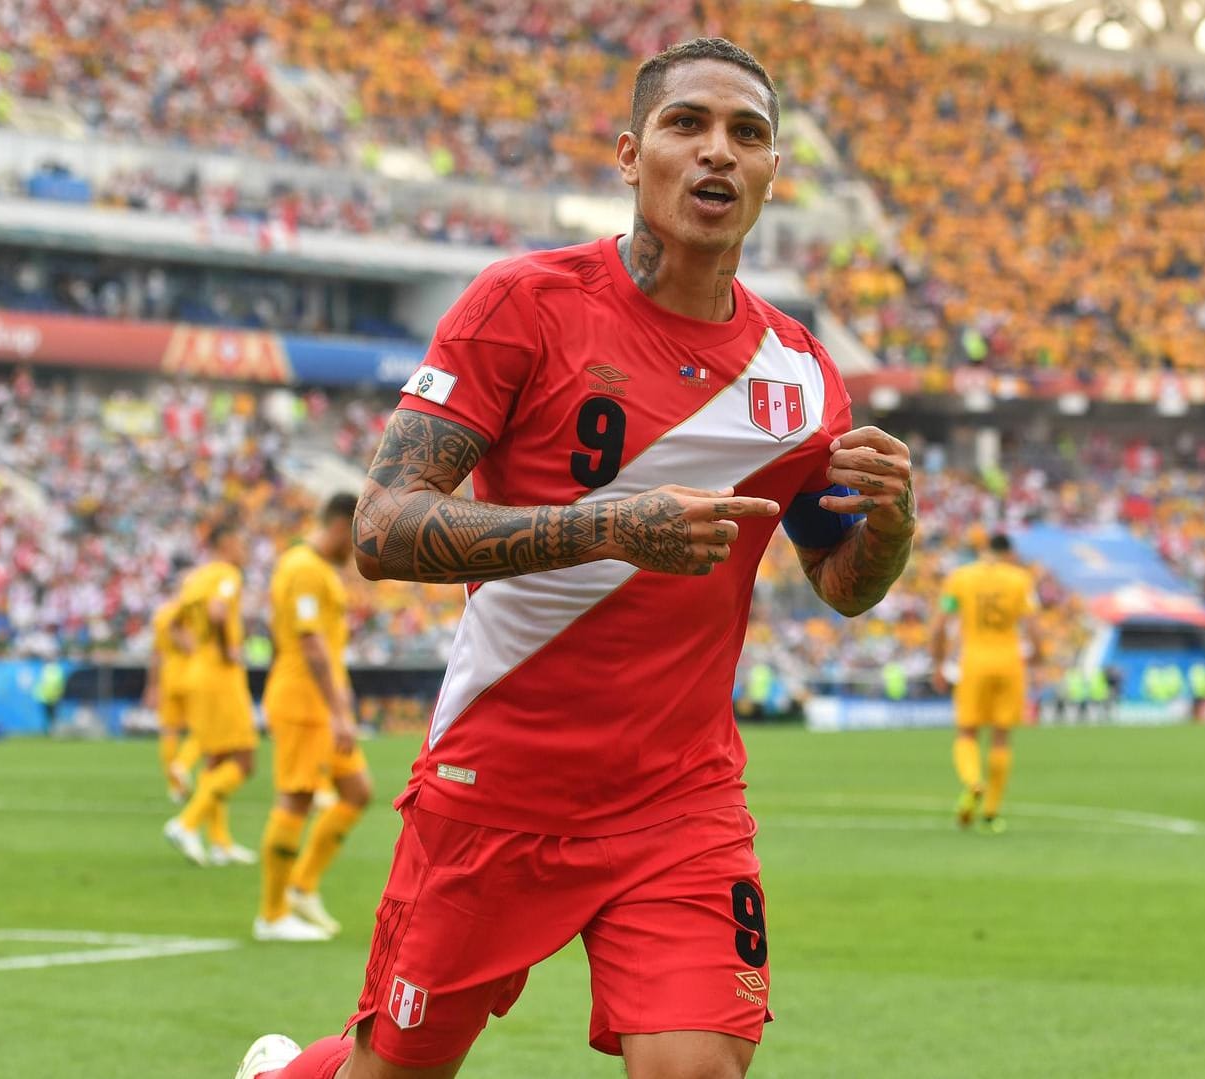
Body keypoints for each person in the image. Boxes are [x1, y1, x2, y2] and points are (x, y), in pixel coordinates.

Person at [235, 37, 916, 1079]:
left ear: (776, 171)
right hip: (495, 782)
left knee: (696, 1068)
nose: (717, 153)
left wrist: (893, 528)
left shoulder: (802, 374)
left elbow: (843, 584)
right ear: (630, 153)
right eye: (687, 125)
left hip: (678, 800)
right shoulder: (525, 304)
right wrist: (606, 526)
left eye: (749, 133)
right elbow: (381, 528)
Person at [255, 492, 373, 943]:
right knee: (296, 799)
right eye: (358, 534)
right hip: (304, 703)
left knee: (356, 791)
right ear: (342, 525)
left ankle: (302, 886)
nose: (359, 545)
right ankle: (271, 914)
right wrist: (338, 711)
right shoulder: (303, 568)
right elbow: (310, 645)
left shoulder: (317, 569)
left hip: (321, 704)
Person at [164, 521, 259, 868]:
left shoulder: (194, 578)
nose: (245, 550)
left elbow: (173, 623)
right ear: (228, 542)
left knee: (217, 759)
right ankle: (187, 824)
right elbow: (219, 612)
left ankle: (219, 842)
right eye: (242, 542)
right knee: (244, 759)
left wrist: (197, 648)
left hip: (198, 670)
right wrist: (226, 649)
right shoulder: (226, 574)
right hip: (220, 674)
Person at [930, 533, 1036, 834]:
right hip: (1009, 662)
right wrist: (1038, 661)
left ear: (983, 550)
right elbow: (1034, 629)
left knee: (967, 731)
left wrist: (938, 664)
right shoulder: (1019, 579)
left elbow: (939, 625)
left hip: (974, 661)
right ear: (1009, 553)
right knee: (1001, 737)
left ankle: (973, 781)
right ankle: (991, 812)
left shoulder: (961, 578)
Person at [145, 597, 200, 802]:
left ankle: (175, 787)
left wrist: (152, 685)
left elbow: (156, 654)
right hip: (191, 674)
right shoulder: (189, 613)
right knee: (201, 730)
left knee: (169, 731)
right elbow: (189, 646)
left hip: (168, 676)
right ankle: (182, 765)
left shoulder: (161, 615)